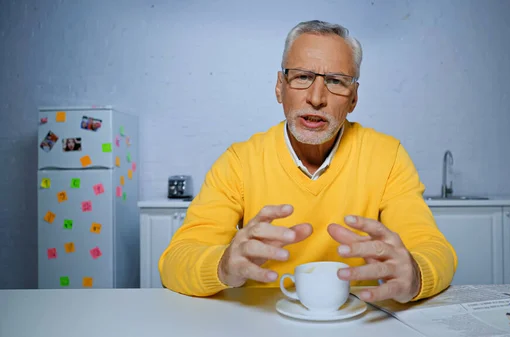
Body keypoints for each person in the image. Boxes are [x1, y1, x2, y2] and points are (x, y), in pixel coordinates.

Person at [159, 20, 458, 303]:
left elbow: (433, 249)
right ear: (280, 86)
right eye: (302, 77)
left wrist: (416, 275)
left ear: (353, 98)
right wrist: (222, 266)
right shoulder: (240, 161)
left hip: (357, 321)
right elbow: (175, 261)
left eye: (336, 81)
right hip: (259, 322)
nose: (316, 98)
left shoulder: (386, 156)